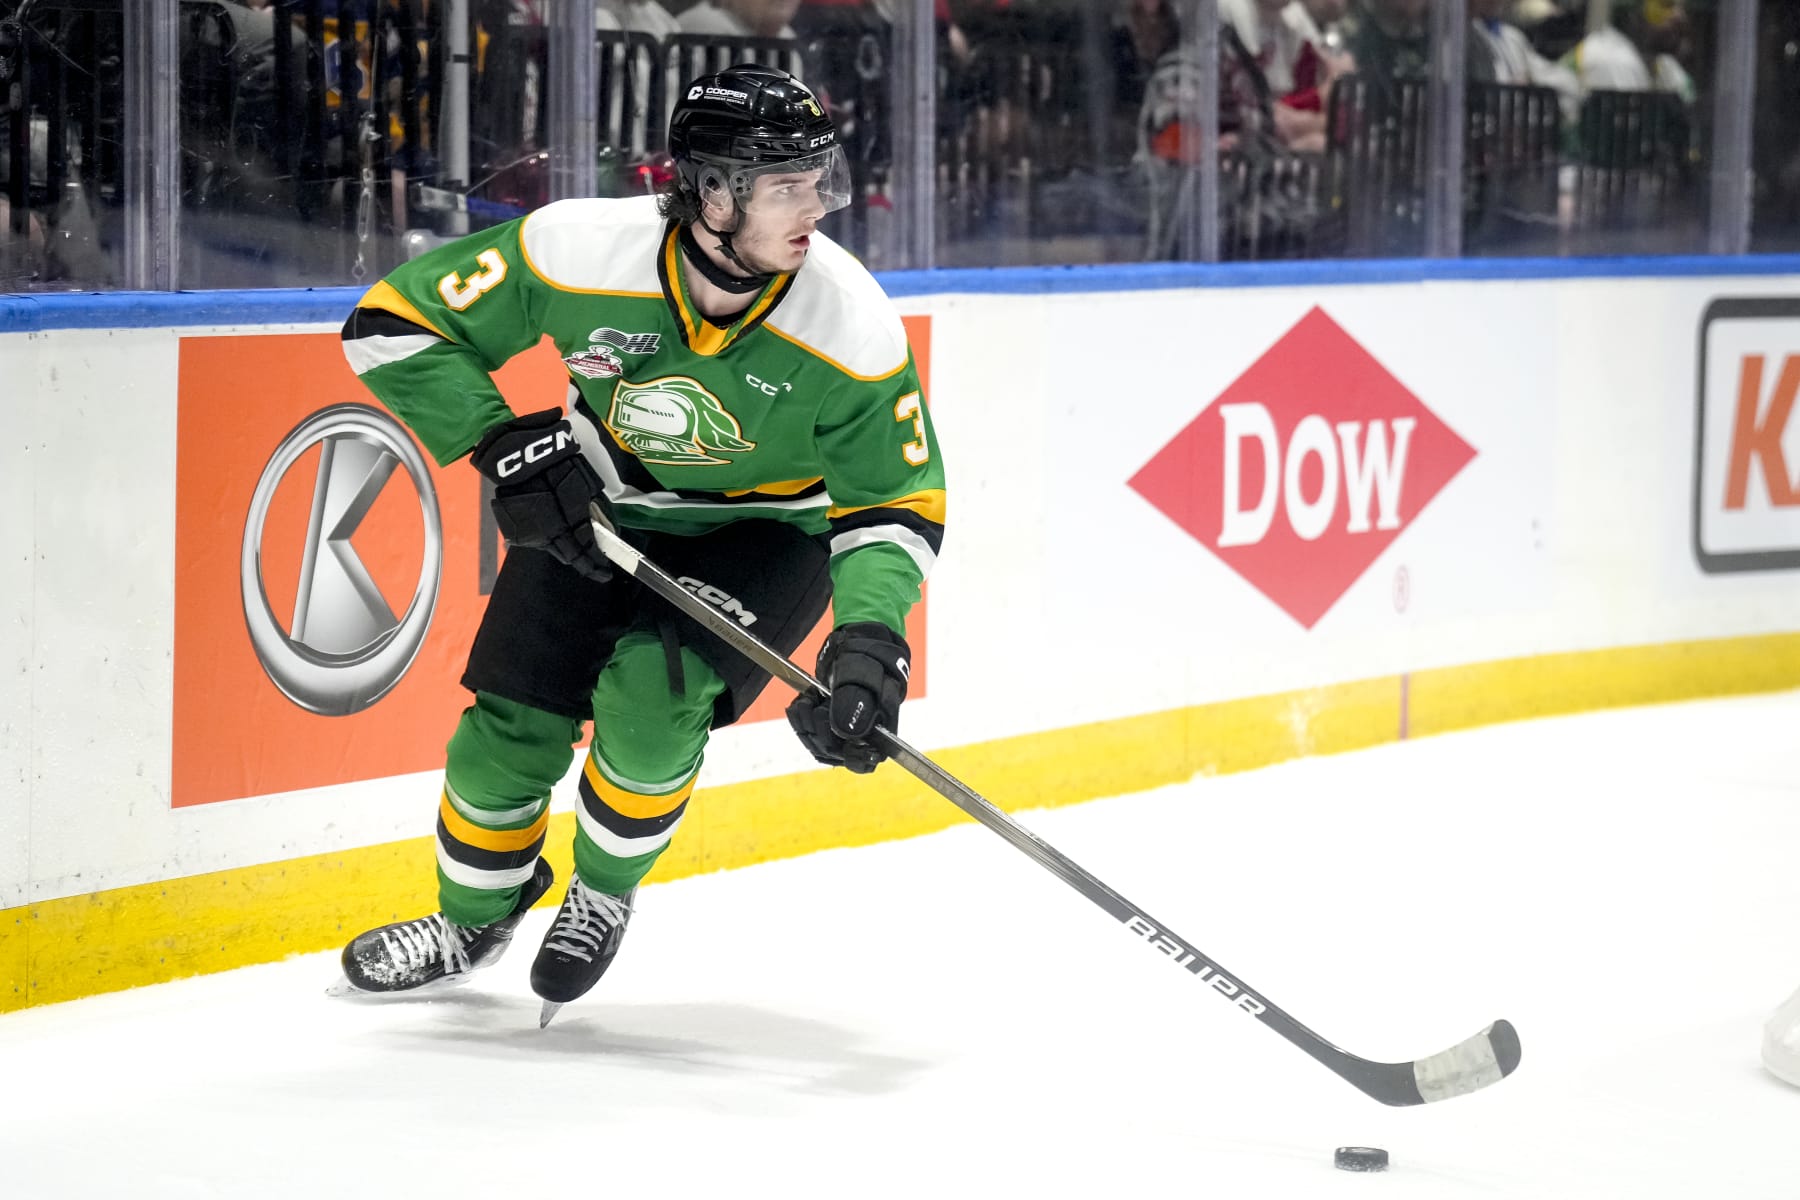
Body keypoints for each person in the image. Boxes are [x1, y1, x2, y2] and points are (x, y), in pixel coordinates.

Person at [333, 63, 944, 1025]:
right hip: (598, 505)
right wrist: (503, 445)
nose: (817, 206)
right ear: (711, 189)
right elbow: (389, 322)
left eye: (819, 178)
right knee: (504, 736)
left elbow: (893, 503)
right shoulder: (578, 247)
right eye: (787, 184)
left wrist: (871, 637)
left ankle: (604, 890)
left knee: (653, 703)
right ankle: (472, 919)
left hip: (763, 532)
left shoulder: (851, 322)